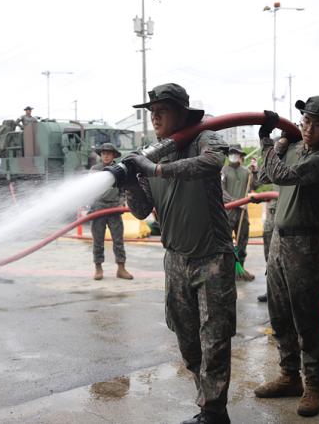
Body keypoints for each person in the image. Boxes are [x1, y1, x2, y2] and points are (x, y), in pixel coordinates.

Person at [123, 83, 235, 424]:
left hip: (211, 256)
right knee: (187, 337)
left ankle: (213, 412)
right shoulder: (150, 153)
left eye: (163, 110)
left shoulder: (204, 138)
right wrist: (128, 181)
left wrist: (154, 169)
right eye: (151, 111)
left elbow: (211, 164)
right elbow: (142, 211)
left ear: (182, 113)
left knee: (214, 337)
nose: (155, 116)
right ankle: (209, 403)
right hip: (176, 260)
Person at [253, 96, 319, 417]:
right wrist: (277, 146)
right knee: (279, 314)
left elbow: (282, 176)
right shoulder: (293, 148)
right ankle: (290, 376)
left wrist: (266, 141)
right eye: (305, 121)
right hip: (279, 241)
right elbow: (263, 176)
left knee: (308, 317)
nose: (309, 129)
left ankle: (315, 384)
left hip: (305, 244)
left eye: (318, 124)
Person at [90, 142, 133, 281]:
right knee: (98, 240)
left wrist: (122, 202)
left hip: (114, 208)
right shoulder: (95, 170)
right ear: (100, 155)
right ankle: (98, 268)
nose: (106, 155)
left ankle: (121, 268)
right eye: (103, 153)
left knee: (118, 240)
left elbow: (124, 190)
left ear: (114, 155)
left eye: (109, 153)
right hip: (98, 208)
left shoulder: (119, 170)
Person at [221, 144, 258, 281]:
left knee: (242, 243)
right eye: (232, 153)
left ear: (240, 155)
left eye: (237, 153)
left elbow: (255, 186)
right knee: (226, 244)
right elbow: (221, 191)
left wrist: (255, 171)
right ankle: (227, 270)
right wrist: (237, 202)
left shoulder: (246, 172)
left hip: (243, 214)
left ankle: (240, 269)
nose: (234, 155)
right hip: (228, 212)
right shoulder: (223, 171)